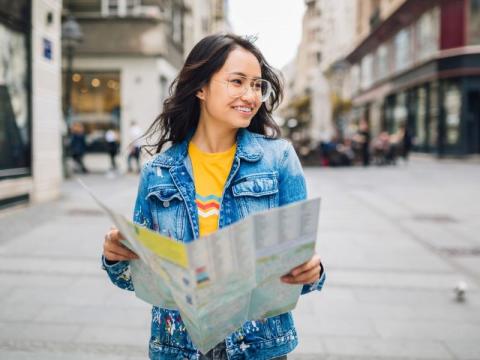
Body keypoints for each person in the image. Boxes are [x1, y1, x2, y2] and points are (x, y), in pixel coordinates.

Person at [102, 34, 325, 360]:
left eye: (257, 85)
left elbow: (300, 266)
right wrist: (115, 257)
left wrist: (312, 271)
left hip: (259, 348)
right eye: (237, 82)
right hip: (178, 348)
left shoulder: (279, 161)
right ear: (201, 88)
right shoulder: (158, 171)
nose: (251, 95)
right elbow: (134, 278)